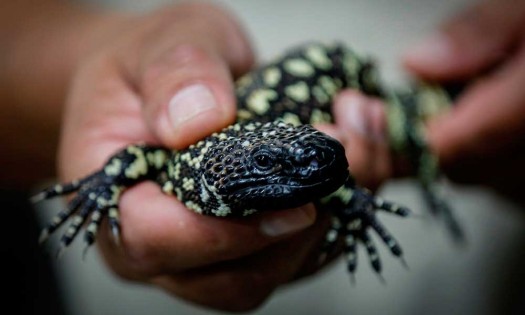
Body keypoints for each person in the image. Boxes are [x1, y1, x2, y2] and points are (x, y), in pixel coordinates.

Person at [1, 0, 523, 313]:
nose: (315, 169)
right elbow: (135, 157)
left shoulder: (293, 152)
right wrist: (97, 187)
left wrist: (356, 200)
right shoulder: (190, 158)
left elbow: (335, 174)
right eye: (271, 166)